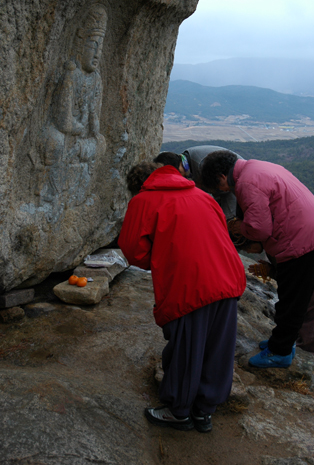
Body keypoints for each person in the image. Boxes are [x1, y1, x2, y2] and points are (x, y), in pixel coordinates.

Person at [118, 162, 246, 432]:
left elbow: (133, 251)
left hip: (190, 283)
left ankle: (178, 411)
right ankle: (204, 411)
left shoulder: (143, 200)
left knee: (188, 347)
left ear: (138, 185)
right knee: (216, 348)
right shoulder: (203, 195)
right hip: (228, 276)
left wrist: (162, 256)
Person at [200, 150, 314, 369]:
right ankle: (283, 342)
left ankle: (279, 352)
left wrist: (237, 226)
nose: (223, 191)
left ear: (222, 176)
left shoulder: (246, 184)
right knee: (293, 296)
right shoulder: (257, 166)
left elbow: (259, 229)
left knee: (291, 300)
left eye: (218, 187)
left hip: (301, 241)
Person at [249, 244, 314, 359]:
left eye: (246, 247)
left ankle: (307, 357)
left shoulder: (274, 242)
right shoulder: (270, 238)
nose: (247, 251)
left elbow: (294, 275)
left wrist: (272, 272)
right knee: (302, 312)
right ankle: (293, 349)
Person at [154, 145, 242, 220]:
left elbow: (224, 189)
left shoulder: (201, 165)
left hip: (233, 189)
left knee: (227, 223)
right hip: (225, 188)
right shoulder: (185, 161)